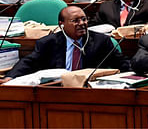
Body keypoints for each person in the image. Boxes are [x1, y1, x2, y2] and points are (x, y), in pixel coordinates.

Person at [0, 6, 130, 83]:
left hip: (89, 89)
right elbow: (29, 62)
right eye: (75, 21)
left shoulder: (101, 41)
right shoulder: (48, 43)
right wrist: (11, 76)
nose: (82, 23)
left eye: (84, 19)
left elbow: (122, 64)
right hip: (58, 89)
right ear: (61, 24)